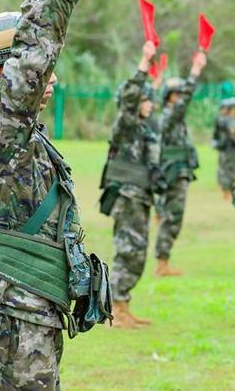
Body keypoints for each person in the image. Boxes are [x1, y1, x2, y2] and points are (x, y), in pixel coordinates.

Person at [0, 0, 103, 388]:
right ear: (4, 75)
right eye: (32, 75)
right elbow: (36, 54)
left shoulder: (19, 132)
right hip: (5, 318)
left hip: (27, 307)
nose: (50, 81)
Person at [100, 41, 166, 328]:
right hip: (126, 196)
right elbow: (129, 97)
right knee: (128, 250)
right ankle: (117, 307)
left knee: (137, 252)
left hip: (139, 196)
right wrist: (143, 62)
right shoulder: (125, 125)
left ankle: (124, 305)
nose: (150, 104)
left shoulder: (142, 129)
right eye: (146, 99)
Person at [155, 51, 207, 276]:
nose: (180, 98)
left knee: (174, 217)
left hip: (179, 170)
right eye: (176, 95)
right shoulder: (170, 115)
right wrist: (195, 72)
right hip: (174, 172)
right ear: (169, 98)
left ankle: (163, 261)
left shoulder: (174, 119)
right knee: (172, 218)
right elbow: (185, 100)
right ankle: (162, 264)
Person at [213, 97, 235, 202]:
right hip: (229, 150)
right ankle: (226, 195)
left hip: (228, 149)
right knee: (228, 170)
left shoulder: (227, 120)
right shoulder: (230, 121)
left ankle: (226, 193)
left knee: (225, 169)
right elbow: (234, 136)